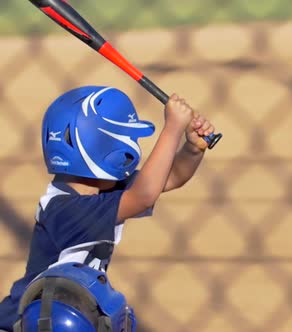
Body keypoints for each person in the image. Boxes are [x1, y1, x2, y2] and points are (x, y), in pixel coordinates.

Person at [0, 85, 214, 331]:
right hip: (28, 322)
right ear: (101, 145)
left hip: (58, 314)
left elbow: (170, 177)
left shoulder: (97, 191)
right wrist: (172, 129)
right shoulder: (68, 211)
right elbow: (144, 195)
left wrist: (192, 148)